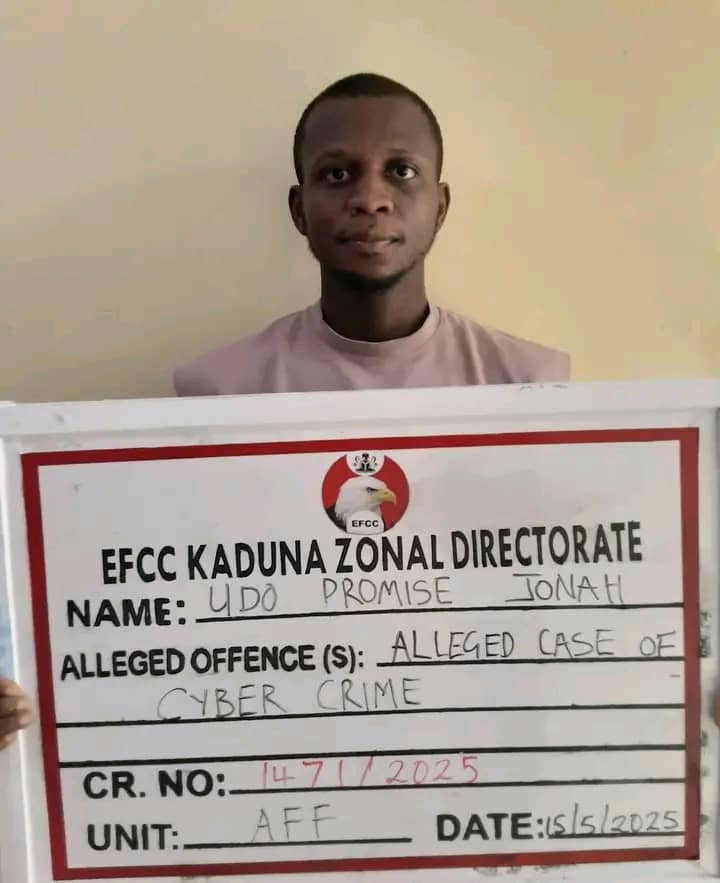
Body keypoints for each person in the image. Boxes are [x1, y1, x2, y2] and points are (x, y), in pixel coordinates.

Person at [0, 72, 568, 750]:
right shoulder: (218, 389)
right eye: (337, 174)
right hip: (290, 763)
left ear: (440, 205)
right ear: (299, 209)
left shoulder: (532, 385)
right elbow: (163, 617)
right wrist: (29, 689)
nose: (370, 198)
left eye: (401, 171)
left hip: (476, 749)